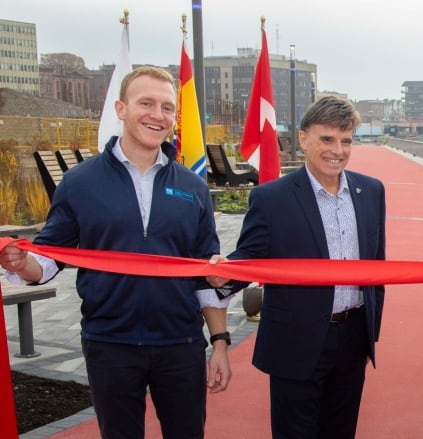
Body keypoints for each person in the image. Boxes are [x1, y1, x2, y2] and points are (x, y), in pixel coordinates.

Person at [0, 66, 232, 438]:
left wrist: (220, 342)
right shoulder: (80, 182)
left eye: (167, 108)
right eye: (147, 103)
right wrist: (21, 263)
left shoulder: (193, 187)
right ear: (121, 109)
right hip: (110, 344)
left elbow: (208, 273)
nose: (158, 115)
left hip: (180, 343)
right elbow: (48, 257)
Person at [208, 96, 386, 438]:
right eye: (327, 139)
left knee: (341, 431)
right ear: (303, 138)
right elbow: (251, 258)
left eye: (346, 140)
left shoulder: (371, 192)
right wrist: (224, 275)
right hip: (297, 341)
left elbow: (377, 269)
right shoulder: (272, 198)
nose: (338, 150)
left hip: (352, 337)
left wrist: (369, 337)